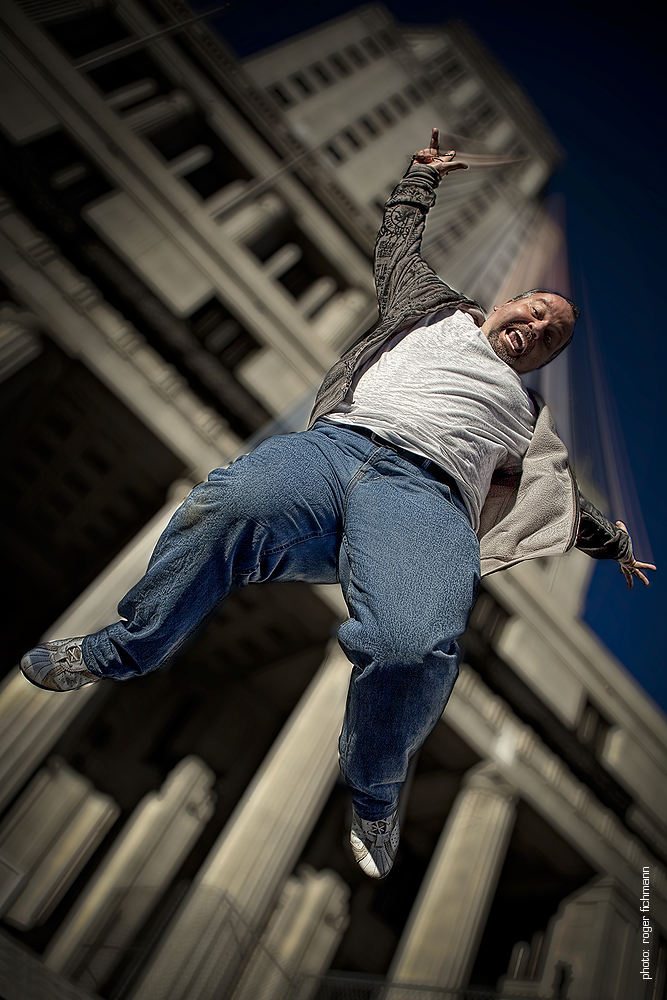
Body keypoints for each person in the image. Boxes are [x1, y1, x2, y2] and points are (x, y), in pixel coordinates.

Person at [20, 130, 655, 879]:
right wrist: (421, 177)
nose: (535, 327)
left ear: (543, 360)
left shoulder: (525, 419)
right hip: (336, 451)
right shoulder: (433, 309)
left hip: (427, 504)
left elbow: (563, 504)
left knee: (412, 646)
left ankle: (374, 798)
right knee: (226, 504)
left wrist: (609, 545)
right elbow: (396, 242)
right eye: (534, 309)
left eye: (550, 336)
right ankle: (118, 651)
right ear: (507, 302)